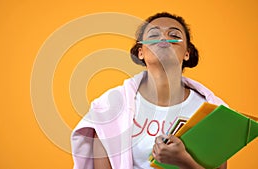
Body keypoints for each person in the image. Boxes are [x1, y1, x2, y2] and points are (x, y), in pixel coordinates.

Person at [71, 12, 227, 169]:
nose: (164, 39)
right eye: (153, 35)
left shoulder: (211, 111)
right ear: (141, 52)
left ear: (187, 53)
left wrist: (184, 161)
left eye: (173, 34)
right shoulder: (109, 107)